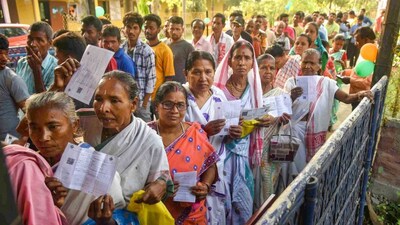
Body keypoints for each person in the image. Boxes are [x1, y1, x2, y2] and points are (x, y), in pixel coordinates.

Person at [48, 70, 171, 224]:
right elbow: (43, 122)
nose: (103, 108)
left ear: (133, 104)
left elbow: (163, 178)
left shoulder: (149, 140)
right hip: (69, 214)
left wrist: (160, 184)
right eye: (98, 99)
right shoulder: (83, 121)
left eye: (114, 100)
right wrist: (56, 87)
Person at [284, 49, 373, 171]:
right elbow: (283, 108)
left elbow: (346, 98)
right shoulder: (292, 82)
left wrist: (359, 95)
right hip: (294, 131)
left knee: (309, 168)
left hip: (315, 131)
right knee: (293, 168)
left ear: (319, 65)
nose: (308, 66)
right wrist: (291, 97)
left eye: (312, 63)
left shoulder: (326, 83)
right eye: (305, 62)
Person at [182, 51, 242, 225]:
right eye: (196, 72)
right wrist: (203, 132)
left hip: (216, 168)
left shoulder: (218, 95)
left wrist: (232, 134)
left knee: (215, 213)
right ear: (186, 73)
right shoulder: (180, 96)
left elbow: (224, 137)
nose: (203, 77)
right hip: (189, 170)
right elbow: (171, 133)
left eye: (208, 72)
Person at [148, 81, 219, 224]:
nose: (175, 111)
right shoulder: (145, 134)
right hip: (153, 214)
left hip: (192, 215)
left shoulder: (196, 132)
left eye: (180, 105)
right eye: (168, 104)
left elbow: (210, 165)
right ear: (157, 106)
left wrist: (205, 186)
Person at [3, 92, 77, 225]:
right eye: (34, 128)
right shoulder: (26, 164)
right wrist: (46, 203)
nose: (43, 137)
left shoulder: (95, 169)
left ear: (75, 125)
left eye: (53, 127)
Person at [214, 41, 266, 224]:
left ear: (253, 63)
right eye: (238, 57)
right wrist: (226, 132)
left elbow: (257, 115)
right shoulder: (219, 90)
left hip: (243, 156)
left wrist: (263, 120)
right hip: (221, 156)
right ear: (229, 61)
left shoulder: (254, 91)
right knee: (221, 203)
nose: (242, 62)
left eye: (247, 58)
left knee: (243, 207)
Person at [122, 12, 156, 122]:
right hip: (124, 101)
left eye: (135, 28)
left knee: (145, 132)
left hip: (141, 102)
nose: (131, 31)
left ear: (140, 30)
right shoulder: (121, 49)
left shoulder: (147, 51)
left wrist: (144, 104)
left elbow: (151, 80)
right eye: (128, 27)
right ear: (124, 28)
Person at [143, 13, 175, 112]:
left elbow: (169, 77)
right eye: (146, 27)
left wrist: (161, 98)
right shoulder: (141, 48)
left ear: (159, 29)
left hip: (157, 99)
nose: (148, 30)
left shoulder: (165, 50)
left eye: (151, 28)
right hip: (143, 98)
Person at [0, 34, 29, 140]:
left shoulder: (11, 79)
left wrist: (22, 141)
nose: (4, 58)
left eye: (6, 53)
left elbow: (31, 113)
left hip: (10, 141)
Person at [16, 21, 57, 95]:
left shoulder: (56, 67)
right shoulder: (21, 62)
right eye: (30, 39)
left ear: (50, 44)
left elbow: (46, 101)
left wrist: (36, 70)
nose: (32, 44)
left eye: (39, 40)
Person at [341, 27, 376, 109]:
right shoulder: (365, 51)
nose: (355, 44)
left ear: (366, 40)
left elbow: (368, 82)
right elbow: (359, 71)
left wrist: (350, 80)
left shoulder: (373, 55)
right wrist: (346, 72)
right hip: (357, 96)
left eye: (358, 41)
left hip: (363, 98)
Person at [166, 16, 195, 84]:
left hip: (182, 86)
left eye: (177, 29)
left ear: (182, 30)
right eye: (172, 29)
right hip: (164, 86)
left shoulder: (188, 47)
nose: (174, 32)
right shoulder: (163, 45)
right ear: (168, 29)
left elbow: (192, 69)